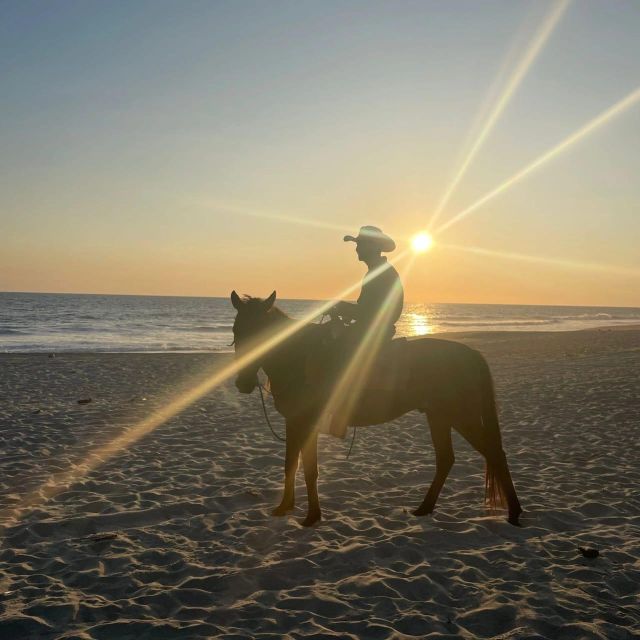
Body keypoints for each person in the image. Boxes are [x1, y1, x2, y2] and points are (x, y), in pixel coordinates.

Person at [320, 225, 404, 437]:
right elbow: (369, 309)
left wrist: (341, 307)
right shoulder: (378, 271)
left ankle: (343, 413)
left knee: (338, 354)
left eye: (360, 245)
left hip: (374, 331)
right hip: (374, 327)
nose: (356, 250)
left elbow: (370, 311)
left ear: (372, 247)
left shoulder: (379, 273)